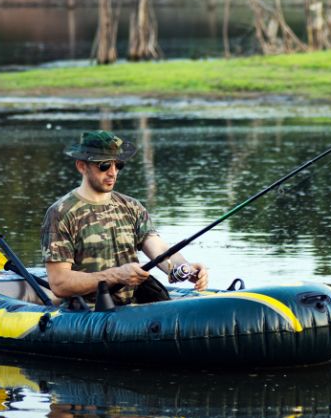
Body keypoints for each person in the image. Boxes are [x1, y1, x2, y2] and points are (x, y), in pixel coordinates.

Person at [41, 130, 208, 306]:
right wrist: (115, 275)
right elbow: (59, 282)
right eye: (104, 165)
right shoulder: (61, 213)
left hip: (132, 311)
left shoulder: (132, 207)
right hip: (87, 315)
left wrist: (186, 268)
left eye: (118, 165)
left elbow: (158, 248)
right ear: (82, 166)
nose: (113, 173)